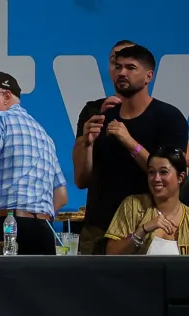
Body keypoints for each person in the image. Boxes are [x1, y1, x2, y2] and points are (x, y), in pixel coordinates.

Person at [74, 44, 189, 254]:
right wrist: (86, 144)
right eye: (118, 67)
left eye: (130, 67)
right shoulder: (100, 116)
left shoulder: (169, 118)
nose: (122, 73)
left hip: (150, 225)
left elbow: (173, 177)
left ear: (148, 76)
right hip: (99, 226)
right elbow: (81, 180)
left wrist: (129, 142)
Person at [0, 72, 67, 255]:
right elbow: (61, 194)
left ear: (7, 96)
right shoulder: (44, 135)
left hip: (2, 230)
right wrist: (35, 216)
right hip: (44, 233)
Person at [104, 146, 189, 255]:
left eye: (163, 172)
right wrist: (142, 230)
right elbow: (111, 254)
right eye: (151, 172)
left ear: (180, 178)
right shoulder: (133, 205)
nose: (156, 178)